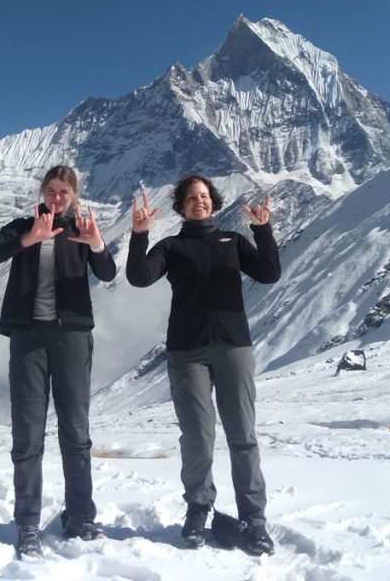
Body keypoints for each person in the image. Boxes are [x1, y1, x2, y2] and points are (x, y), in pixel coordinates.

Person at [126, 174, 281, 555]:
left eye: (205, 195)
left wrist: (263, 231)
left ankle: (253, 520)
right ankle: (198, 509)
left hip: (233, 347)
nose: (200, 201)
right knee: (197, 436)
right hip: (186, 350)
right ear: (181, 205)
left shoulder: (234, 241)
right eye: (192, 197)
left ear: (214, 201)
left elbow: (269, 273)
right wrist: (140, 234)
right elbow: (138, 277)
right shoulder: (173, 247)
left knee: (242, 435)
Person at [0, 165, 117, 559]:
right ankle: (28, 523)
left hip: (71, 336)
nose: (56, 198)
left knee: (76, 431)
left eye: (63, 192)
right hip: (28, 338)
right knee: (28, 433)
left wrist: (97, 246)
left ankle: (80, 516)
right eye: (50, 191)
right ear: (42, 192)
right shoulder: (22, 225)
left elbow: (107, 273)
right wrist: (27, 239)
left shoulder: (81, 229)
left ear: (73, 195)